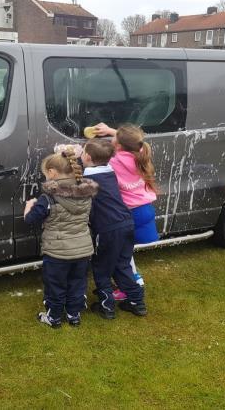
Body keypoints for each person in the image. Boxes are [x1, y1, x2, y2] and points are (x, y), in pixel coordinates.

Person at [24, 147, 98, 328]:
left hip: (57, 253)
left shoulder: (47, 198)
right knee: (77, 282)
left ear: (52, 173)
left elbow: (30, 219)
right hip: (82, 249)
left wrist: (29, 205)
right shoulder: (86, 193)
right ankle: (74, 315)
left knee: (55, 285)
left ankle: (54, 317)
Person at [81, 138, 147, 318]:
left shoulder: (88, 180)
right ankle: (137, 303)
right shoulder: (110, 172)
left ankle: (106, 307)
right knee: (122, 265)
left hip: (107, 229)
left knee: (101, 267)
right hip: (126, 223)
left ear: (86, 157)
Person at [93, 123, 158, 299]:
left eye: (114, 138)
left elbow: (98, 160)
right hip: (146, 209)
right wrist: (111, 132)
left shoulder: (114, 161)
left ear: (119, 145)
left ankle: (132, 284)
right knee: (126, 252)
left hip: (129, 213)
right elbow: (134, 141)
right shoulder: (140, 153)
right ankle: (132, 280)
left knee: (122, 254)